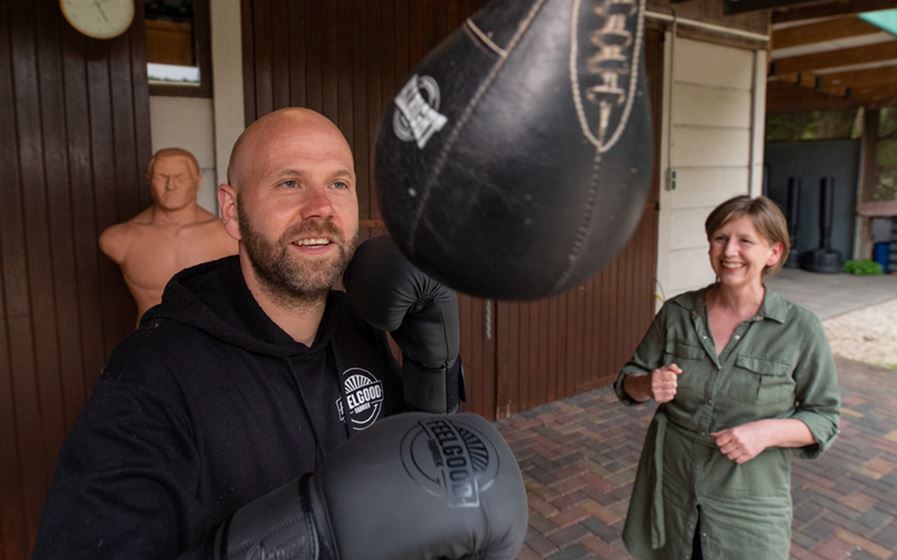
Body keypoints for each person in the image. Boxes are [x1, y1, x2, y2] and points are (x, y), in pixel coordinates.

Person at [32, 108, 525, 559]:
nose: (320, 208)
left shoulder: (358, 326)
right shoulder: (149, 377)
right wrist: (303, 537)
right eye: (289, 183)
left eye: (338, 183)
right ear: (231, 210)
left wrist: (432, 371)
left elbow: (409, 476)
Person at [614, 195, 841, 560]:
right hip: (673, 485)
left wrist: (767, 432)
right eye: (720, 237)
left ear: (773, 252)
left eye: (745, 241)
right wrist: (646, 384)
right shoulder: (677, 313)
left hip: (747, 501)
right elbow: (628, 381)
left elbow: (824, 416)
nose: (729, 250)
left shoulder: (799, 328)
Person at [98, 147, 238, 320]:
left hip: (211, 343)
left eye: (180, 177)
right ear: (149, 180)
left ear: (197, 180)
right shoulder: (120, 239)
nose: (170, 186)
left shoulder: (229, 235)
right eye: (161, 177)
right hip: (150, 341)